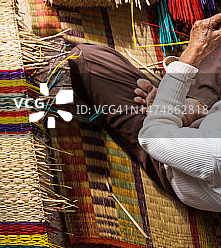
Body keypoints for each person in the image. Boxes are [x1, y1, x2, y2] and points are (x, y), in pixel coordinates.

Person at [67, 13, 221, 212]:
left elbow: (153, 137)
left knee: (86, 60)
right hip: (208, 121)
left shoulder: (216, 156)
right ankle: (194, 102)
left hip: (170, 159)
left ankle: (181, 105)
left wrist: (192, 55)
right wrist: (191, 107)